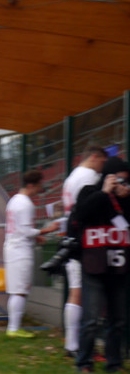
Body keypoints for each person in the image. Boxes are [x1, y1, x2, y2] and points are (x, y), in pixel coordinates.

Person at [69, 156, 130, 373]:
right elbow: (83, 212)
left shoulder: (127, 198)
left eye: (126, 180)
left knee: (119, 319)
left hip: (119, 265)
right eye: (119, 179)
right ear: (107, 177)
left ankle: (114, 362)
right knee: (91, 318)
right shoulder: (89, 192)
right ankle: (84, 362)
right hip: (94, 263)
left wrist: (124, 199)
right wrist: (104, 193)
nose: (123, 184)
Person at [59, 146, 108, 355]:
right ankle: (75, 345)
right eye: (102, 163)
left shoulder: (71, 177)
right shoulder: (89, 176)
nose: (102, 169)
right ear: (95, 157)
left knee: (75, 293)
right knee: (81, 294)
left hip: (71, 235)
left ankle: (71, 342)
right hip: (85, 238)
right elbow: (91, 206)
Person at [4, 170, 60, 337]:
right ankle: (14, 328)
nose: (39, 190)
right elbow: (26, 231)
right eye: (38, 186)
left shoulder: (14, 200)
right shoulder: (26, 204)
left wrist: (37, 237)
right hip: (20, 250)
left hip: (12, 247)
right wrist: (46, 230)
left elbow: (19, 229)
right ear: (30, 185)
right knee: (20, 290)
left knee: (16, 289)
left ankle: (13, 327)